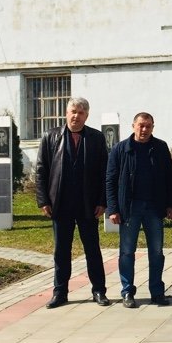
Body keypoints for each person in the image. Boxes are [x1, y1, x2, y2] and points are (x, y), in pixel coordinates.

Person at [35, 97, 109, 309]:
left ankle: (99, 290)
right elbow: (41, 171)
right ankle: (60, 292)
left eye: (81, 113)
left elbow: (104, 172)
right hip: (60, 203)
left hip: (87, 204)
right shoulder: (51, 137)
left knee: (92, 249)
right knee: (61, 251)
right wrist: (43, 200)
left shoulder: (95, 138)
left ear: (87, 115)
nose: (76, 116)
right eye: (73, 111)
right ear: (66, 113)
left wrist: (102, 201)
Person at [106, 112, 172, 308]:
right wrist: (113, 208)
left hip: (154, 206)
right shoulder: (121, 149)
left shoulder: (160, 147)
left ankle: (157, 291)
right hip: (129, 208)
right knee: (127, 252)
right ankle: (127, 291)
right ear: (133, 126)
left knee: (157, 251)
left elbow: (170, 178)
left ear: (153, 127)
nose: (144, 130)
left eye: (148, 126)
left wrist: (171, 204)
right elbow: (110, 180)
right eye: (141, 125)